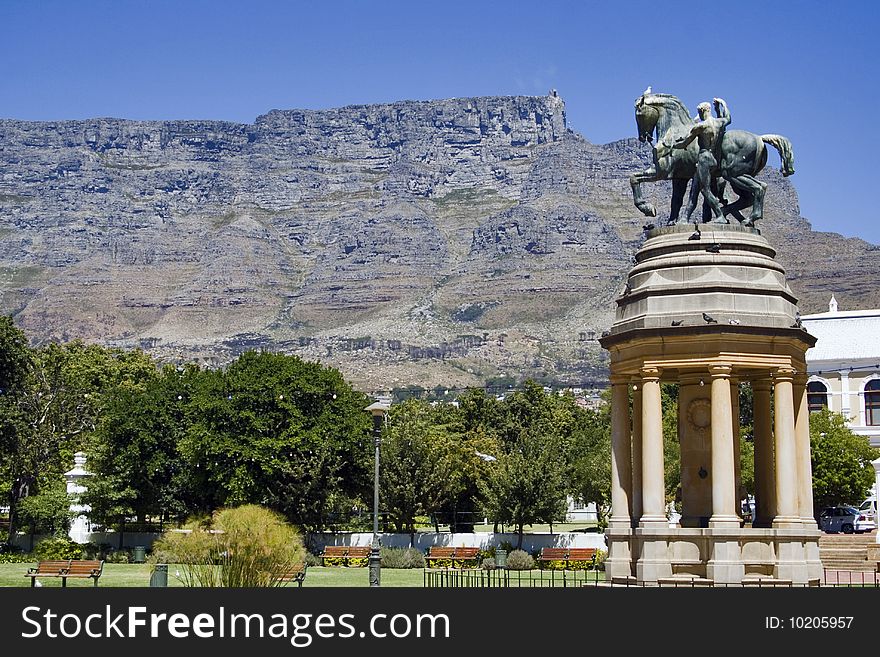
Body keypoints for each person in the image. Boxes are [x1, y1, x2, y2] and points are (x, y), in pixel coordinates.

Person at [673, 98, 730, 222]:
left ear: (702, 111)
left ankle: (720, 215)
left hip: (704, 159)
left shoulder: (700, 126)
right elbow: (728, 118)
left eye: (699, 112)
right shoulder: (719, 123)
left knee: (704, 190)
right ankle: (684, 218)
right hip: (714, 160)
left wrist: (671, 146)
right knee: (694, 190)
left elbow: (684, 143)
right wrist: (721, 104)